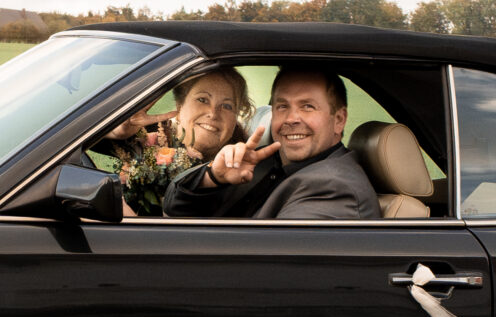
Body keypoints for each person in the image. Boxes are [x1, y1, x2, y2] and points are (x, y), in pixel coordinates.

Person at [162, 68, 380, 219]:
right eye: (282, 106)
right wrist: (213, 178)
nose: (292, 118)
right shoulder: (266, 162)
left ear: (339, 120)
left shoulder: (334, 188)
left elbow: (272, 266)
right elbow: (174, 207)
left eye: (307, 107)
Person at [104, 67, 249, 166]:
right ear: (180, 106)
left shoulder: (244, 167)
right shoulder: (144, 138)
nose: (213, 113)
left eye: (227, 106)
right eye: (203, 100)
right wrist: (117, 131)